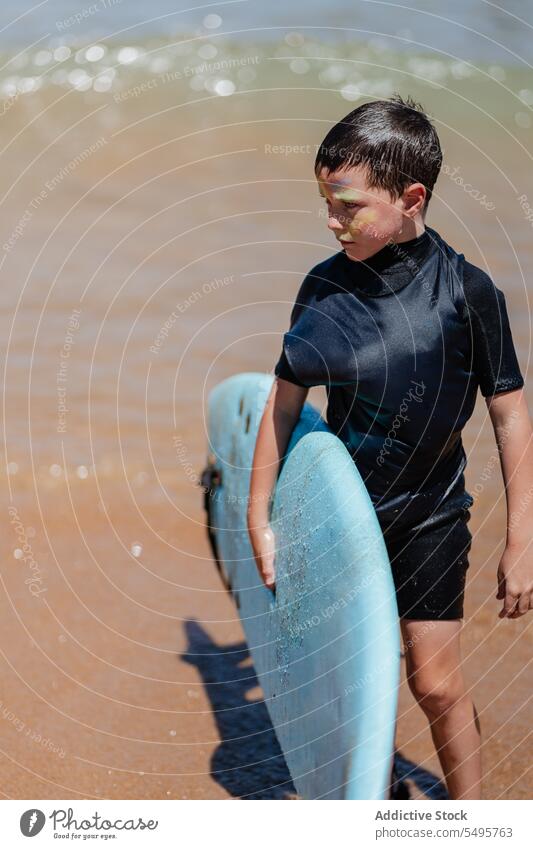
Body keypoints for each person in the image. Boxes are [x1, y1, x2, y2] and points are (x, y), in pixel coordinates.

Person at [246, 94, 533, 801]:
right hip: (341, 513)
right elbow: (283, 404)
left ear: (410, 197)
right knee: (351, 676)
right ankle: (364, 802)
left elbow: (509, 417)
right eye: (324, 201)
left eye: (347, 204)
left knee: (433, 683)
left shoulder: (468, 295)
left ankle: (470, 817)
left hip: (430, 515)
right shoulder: (323, 289)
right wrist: (259, 512)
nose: (330, 219)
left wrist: (520, 536)